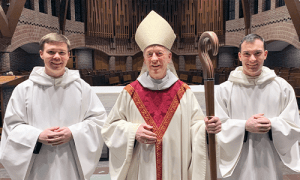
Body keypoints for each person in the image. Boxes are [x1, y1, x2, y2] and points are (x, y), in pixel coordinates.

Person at [101, 10, 221, 180]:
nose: (154, 59)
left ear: (169, 57)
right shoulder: (130, 92)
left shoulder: (183, 92)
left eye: (159, 53)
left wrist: (207, 128)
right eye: (149, 54)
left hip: (175, 167)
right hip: (140, 165)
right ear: (144, 59)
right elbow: (110, 127)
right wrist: (133, 131)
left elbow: (196, 127)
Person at [0, 33, 107, 180]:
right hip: (38, 163)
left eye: (62, 52)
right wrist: (36, 135)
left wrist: (73, 132)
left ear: (68, 55)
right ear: (41, 54)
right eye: (51, 52)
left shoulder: (83, 88)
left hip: (71, 162)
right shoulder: (23, 89)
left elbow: (99, 121)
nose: (57, 57)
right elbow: (12, 126)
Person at [216, 34, 300, 180]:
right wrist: (244, 126)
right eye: (247, 54)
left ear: (265, 54)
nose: (252, 59)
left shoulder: (283, 88)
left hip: (269, 160)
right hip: (238, 163)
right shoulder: (224, 90)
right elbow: (218, 126)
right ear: (240, 56)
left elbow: (293, 125)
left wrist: (272, 124)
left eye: (257, 53)